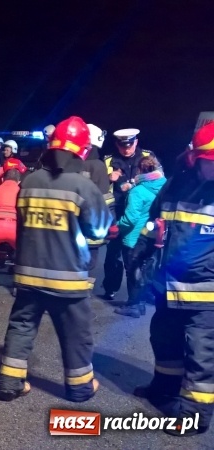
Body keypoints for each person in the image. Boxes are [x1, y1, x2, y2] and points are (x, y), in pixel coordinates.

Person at [0, 116, 112, 402]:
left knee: (21, 327)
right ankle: (80, 388)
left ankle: (9, 383)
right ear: (83, 151)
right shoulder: (83, 187)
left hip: (27, 274)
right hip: (68, 281)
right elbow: (99, 229)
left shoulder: (30, 180)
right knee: (76, 334)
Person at [129, 122, 214, 437]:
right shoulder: (175, 185)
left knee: (201, 355)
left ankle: (195, 415)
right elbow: (155, 219)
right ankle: (162, 390)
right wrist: (146, 246)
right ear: (195, 158)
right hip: (170, 285)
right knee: (164, 339)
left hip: (207, 293)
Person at [101, 128, 161, 300]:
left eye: (129, 145)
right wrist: (107, 177)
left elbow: (159, 177)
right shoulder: (109, 160)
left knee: (138, 256)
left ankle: (138, 298)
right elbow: (98, 184)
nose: (126, 149)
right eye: (122, 146)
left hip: (142, 214)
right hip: (117, 214)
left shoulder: (148, 156)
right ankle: (110, 289)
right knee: (113, 256)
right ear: (117, 144)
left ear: (136, 141)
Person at [112, 155, 166, 318]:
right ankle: (141, 301)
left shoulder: (139, 191)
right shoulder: (163, 187)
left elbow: (130, 219)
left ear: (140, 170)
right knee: (146, 268)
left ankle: (134, 305)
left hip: (135, 237)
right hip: (153, 236)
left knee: (133, 269)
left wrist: (116, 226)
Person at [83, 124, 115, 274]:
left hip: (67, 230)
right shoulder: (99, 166)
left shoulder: (70, 163)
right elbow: (105, 199)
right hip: (90, 230)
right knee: (88, 266)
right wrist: (112, 224)